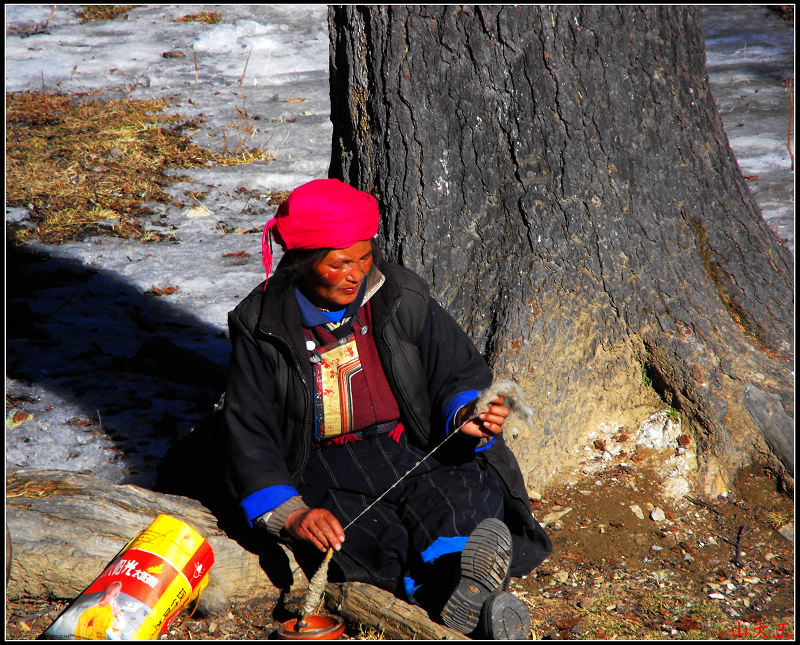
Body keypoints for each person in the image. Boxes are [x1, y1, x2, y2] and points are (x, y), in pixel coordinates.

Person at [222, 178, 551, 639]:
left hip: (408, 445)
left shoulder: (398, 296)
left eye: (363, 257)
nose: (355, 274)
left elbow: (454, 368)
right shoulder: (262, 326)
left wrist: (466, 415)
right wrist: (293, 514)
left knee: (461, 496)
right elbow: (248, 429)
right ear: (301, 263)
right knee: (362, 539)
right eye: (339, 264)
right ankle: (464, 602)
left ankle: (463, 583)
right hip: (322, 467)